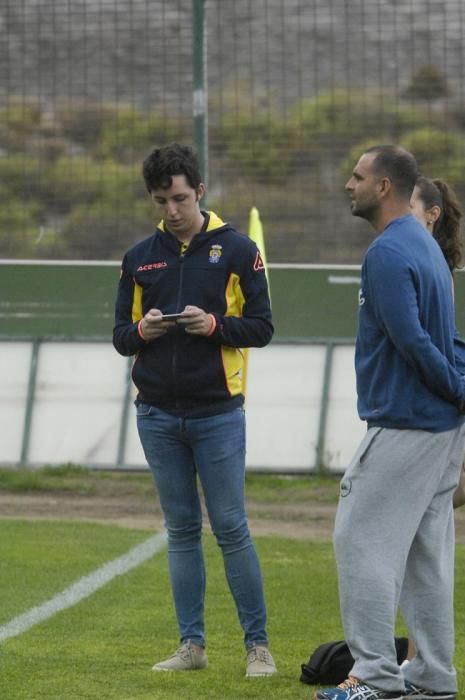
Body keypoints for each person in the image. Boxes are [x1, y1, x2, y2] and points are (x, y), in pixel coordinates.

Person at [112, 143, 277, 677]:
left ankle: (258, 647)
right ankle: (192, 646)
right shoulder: (138, 257)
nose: (171, 209)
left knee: (231, 528)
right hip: (156, 414)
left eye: (180, 198)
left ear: (200, 191)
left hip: (218, 414)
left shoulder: (237, 249)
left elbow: (263, 327)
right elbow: (120, 337)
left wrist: (215, 327)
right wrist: (144, 331)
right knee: (181, 530)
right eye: (161, 200)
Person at [315, 145, 465, 700]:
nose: (347, 184)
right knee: (426, 555)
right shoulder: (427, 249)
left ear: (384, 187)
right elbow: (441, 340)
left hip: (407, 423)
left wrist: (456, 389)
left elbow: (414, 343)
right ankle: (431, 677)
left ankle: (375, 675)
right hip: (440, 428)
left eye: (357, 176)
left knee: (359, 541)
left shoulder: (386, 253)